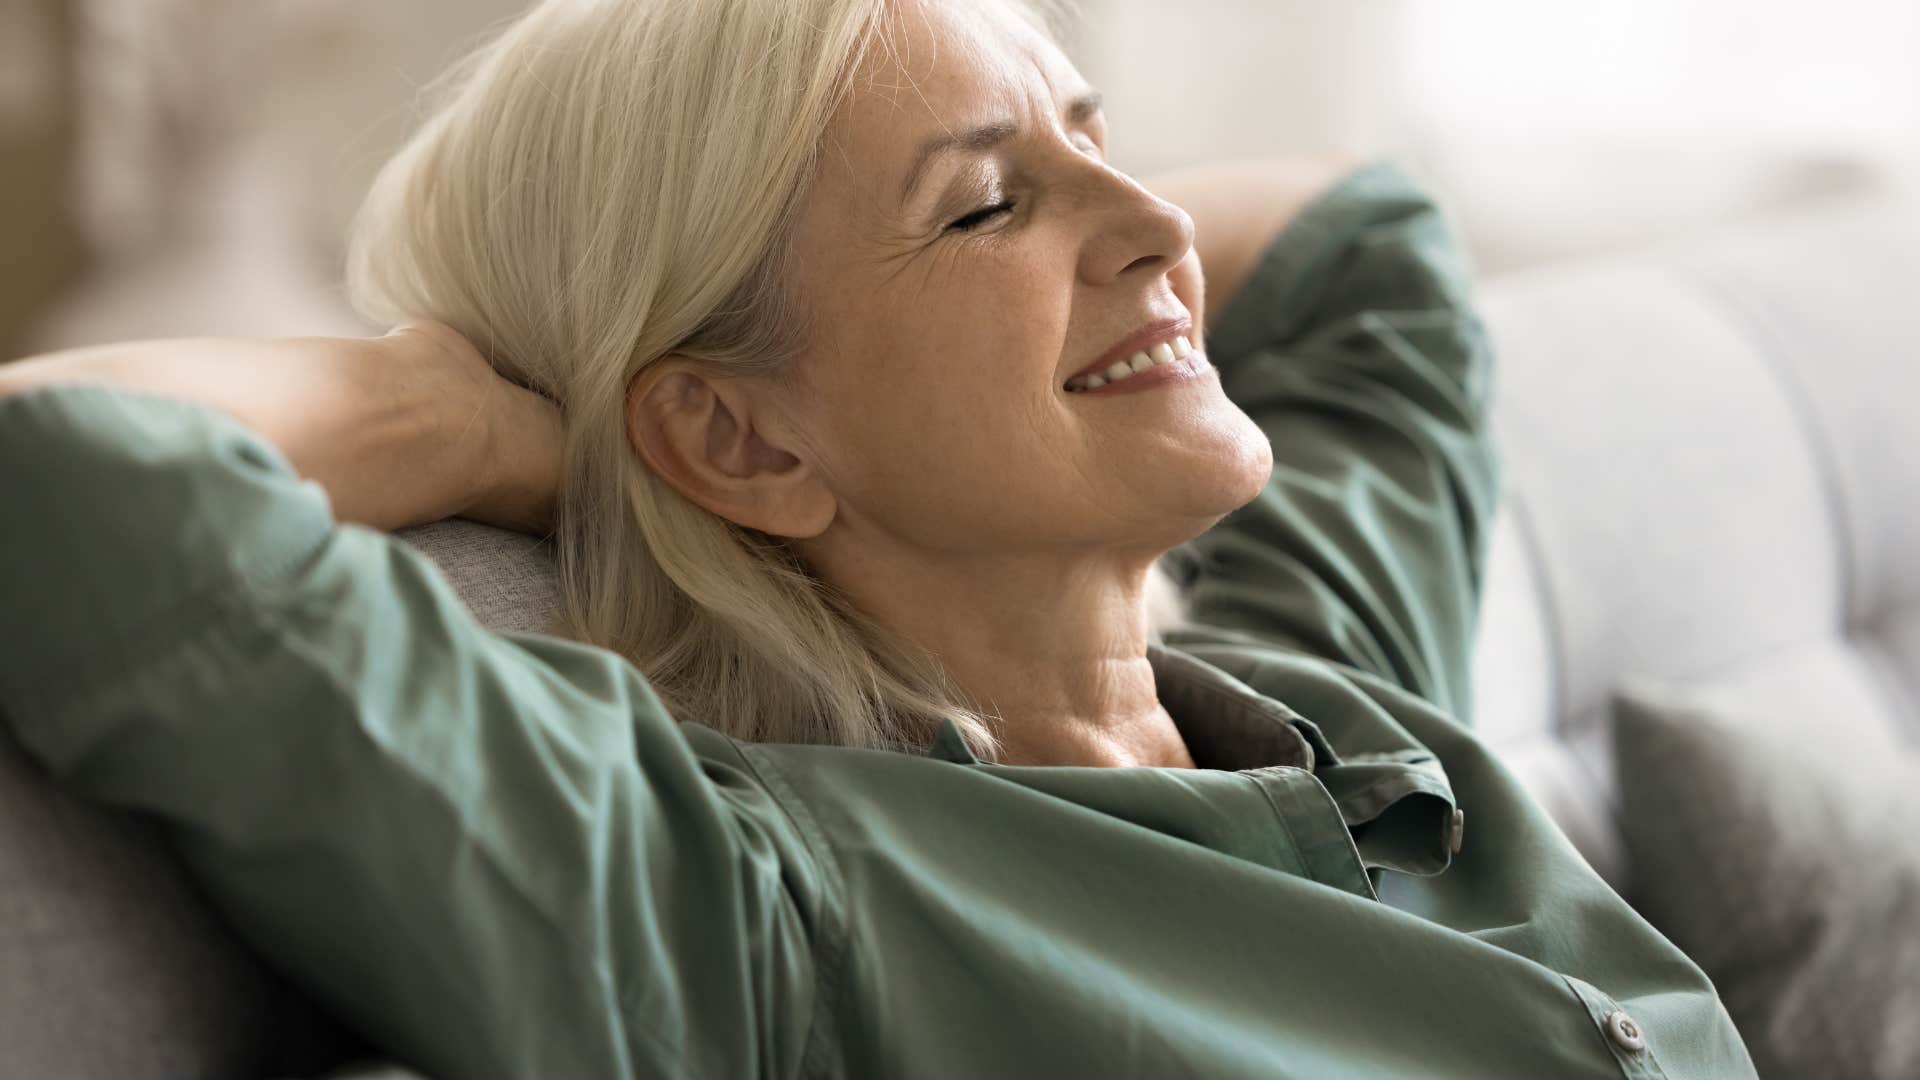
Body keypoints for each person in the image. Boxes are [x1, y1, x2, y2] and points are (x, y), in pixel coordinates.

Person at [0, 0, 1758, 1076]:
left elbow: (1364, 246)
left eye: (1103, 140)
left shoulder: (1329, 693)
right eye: (990, 202)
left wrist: (1003, 151)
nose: (1157, 225)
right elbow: (68, 476)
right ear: (739, 434)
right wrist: (471, 411)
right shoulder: (761, 917)